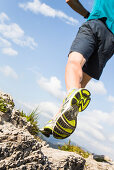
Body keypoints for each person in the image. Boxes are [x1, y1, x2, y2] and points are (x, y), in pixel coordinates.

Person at [40, 0, 114, 139]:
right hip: (110, 40)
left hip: (95, 23)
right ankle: (56, 119)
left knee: (75, 62)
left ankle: (69, 98)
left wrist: (87, 14)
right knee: (80, 85)